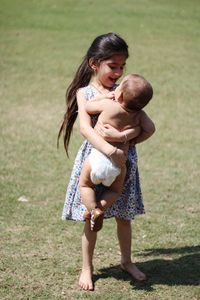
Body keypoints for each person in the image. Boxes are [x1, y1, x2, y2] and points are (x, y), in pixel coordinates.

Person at [58, 32, 155, 291]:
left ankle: (126, 261)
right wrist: (111, 151)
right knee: (91, 215)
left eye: (122, 66)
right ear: (94, 64)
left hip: (124, 162)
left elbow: (143, 126)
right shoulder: (86, 93)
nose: (119, 71)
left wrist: (126, 139)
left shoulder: (126, 92)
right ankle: (87, 267)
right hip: (95, 158)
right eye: (113, 66)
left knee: (124, 217)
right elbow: (86, 130)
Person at [79, 74, 154, 231]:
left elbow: (88, 107)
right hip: (119, 164)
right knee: (115, 190)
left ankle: (93, 210)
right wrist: (133, 140)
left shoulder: (108, 104)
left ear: (119, 94)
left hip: (98, 157)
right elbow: (150, 129)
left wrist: (104, 97)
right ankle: (101, 208)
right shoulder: (140, 116)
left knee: (85, 185)